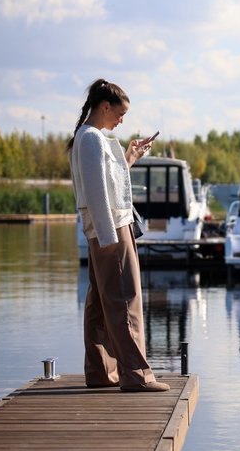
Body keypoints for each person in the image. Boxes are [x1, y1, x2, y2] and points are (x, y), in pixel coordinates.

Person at [66, 79, 169, 392]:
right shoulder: (92, 139)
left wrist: (129, 159)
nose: (122, 120)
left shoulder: (86, 138)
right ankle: (136, 374)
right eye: (119, 113)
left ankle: (101, 372)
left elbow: (104, 184)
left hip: (102, 229)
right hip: (111, 230)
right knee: (126, 299)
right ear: (104, 106)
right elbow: (98, 195)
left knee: (100, 302)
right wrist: (110, 240)